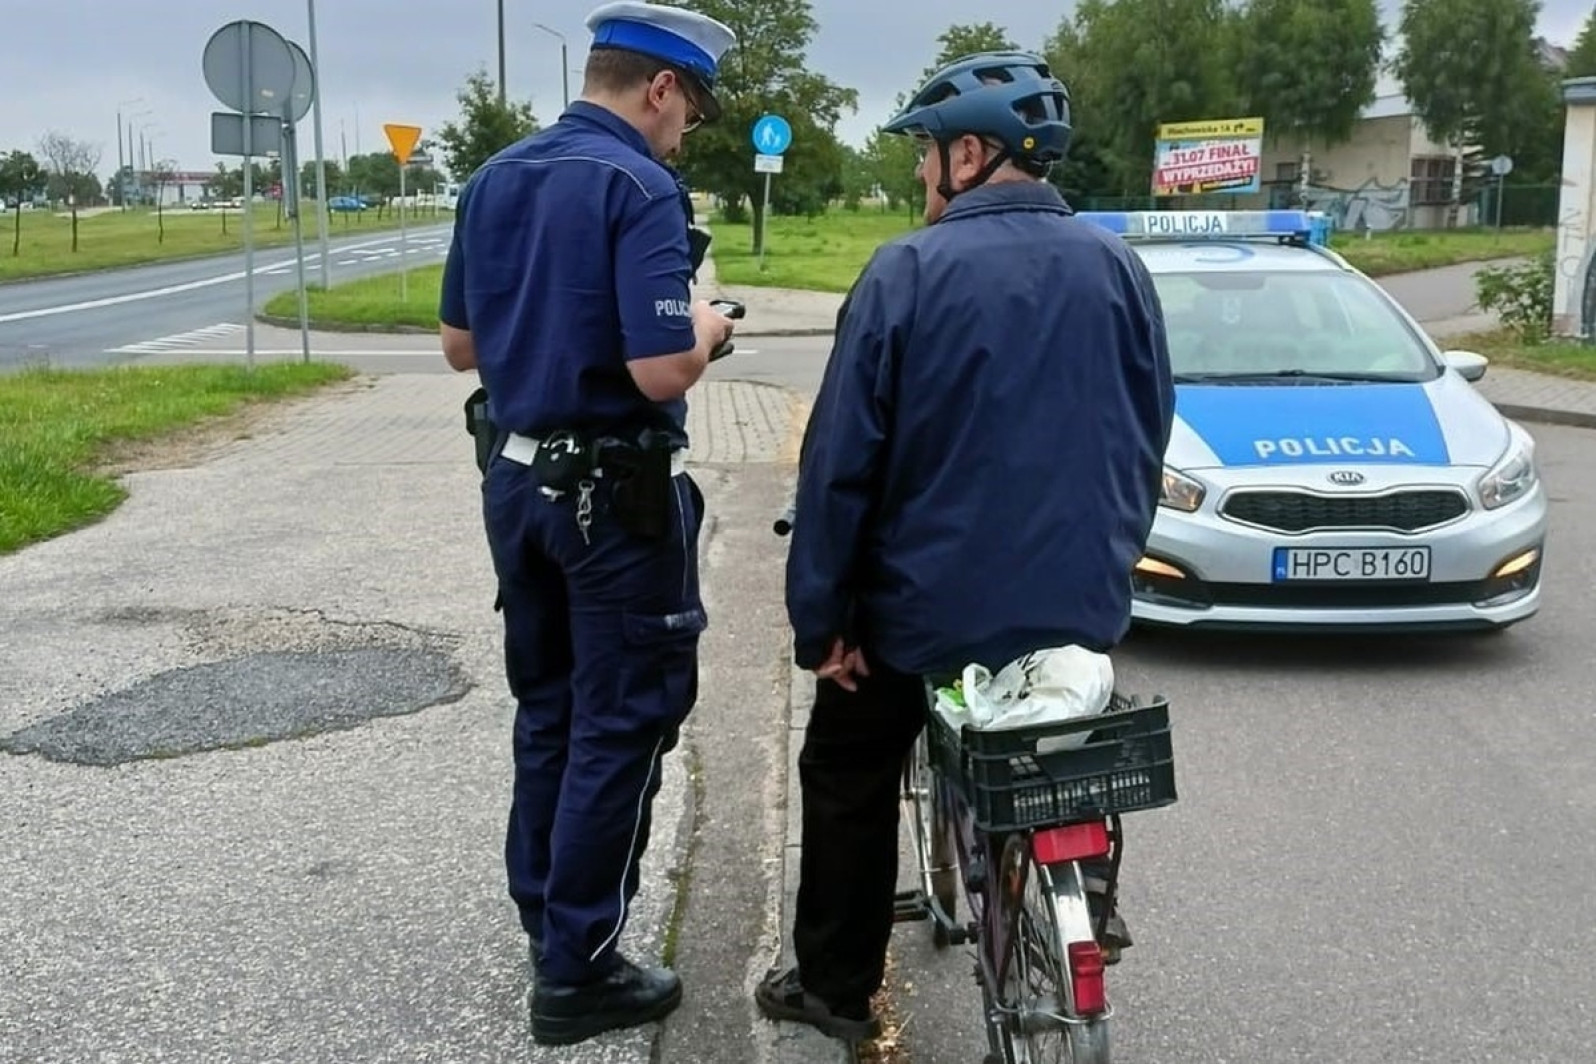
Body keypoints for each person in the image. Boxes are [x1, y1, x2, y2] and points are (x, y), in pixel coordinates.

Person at [754, 51, 1176, 1041]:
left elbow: (841, 470)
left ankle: (836, 985)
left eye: (927, 153)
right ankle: (1085, 887)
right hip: (1076, 600)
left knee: (848, 761)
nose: (919, 174)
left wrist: (826, 621)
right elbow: (1149, 424)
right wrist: (1107, 552)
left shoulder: (905, 271)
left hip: (928, 614)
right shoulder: (1117, 266)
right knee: (1070, 731)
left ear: (975, 154)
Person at [436, 0, 737, 1048]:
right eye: (686, 109)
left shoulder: (494, 176)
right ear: (658, 88)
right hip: (614, 498)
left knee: (550, 708)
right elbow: (660, 366)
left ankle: (545, 916)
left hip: (516, 483)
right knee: (625, 717)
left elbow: (458, 344)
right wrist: (708, 326)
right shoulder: (638, 185)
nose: (682, 130)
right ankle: (579, 966)